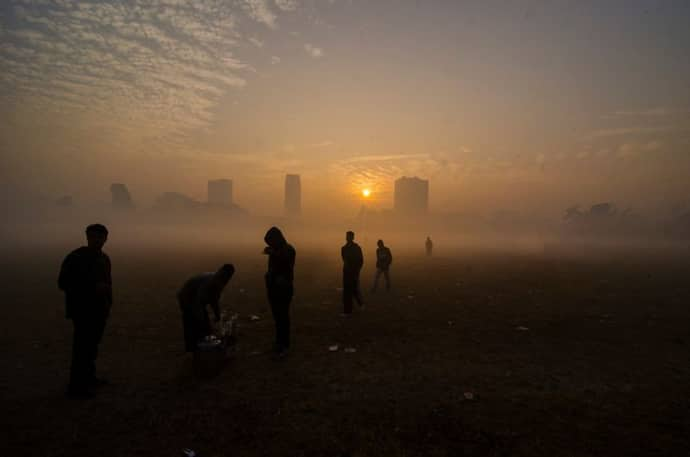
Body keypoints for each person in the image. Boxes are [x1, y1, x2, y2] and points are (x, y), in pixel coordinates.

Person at [58, 223, 112, 397]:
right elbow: (63, 283)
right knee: (82, 348)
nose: (97, 240)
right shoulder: (76, 258)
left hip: (99, 309)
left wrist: (108, 303)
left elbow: (108, 283)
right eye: (93, 237)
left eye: (100, 237)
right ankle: (76, 387)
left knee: (92, 346)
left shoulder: (104, 259)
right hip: (82, 310)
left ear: (106, 239)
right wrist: (91, 288)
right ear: (87, 237)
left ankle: (89, 377)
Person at [177, 264, 235, 353]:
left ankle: (203, 347)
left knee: (204, 324)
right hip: (187, 297)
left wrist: (217, 314)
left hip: (196, 299)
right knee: (192, 322)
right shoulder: (210, 282)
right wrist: (201, 319)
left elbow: (214, 300)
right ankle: (194, 349)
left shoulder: (220, 280)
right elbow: (198, 302)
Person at [263, 227, 296, 357]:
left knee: (283, 317)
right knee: (277, 318)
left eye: (271, 242)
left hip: (283, 289)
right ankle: (279, 342)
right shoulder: (276, 250)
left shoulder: (288, 249)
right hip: (273, 288)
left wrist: (273, 253)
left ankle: (284, 344)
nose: (270, 245)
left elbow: (286, 262)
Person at [341, 230, 364, 314]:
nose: (347, 238)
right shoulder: (343, 248)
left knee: (354, 289)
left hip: (354, 272)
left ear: (353, 237)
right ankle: (348, 310)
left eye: (349, 236)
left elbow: (361, 260)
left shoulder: (357, 248)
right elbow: (344, 260)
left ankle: (360, 304)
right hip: (346, 272)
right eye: (347, 236)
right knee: (347, 291)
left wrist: (357, 270)